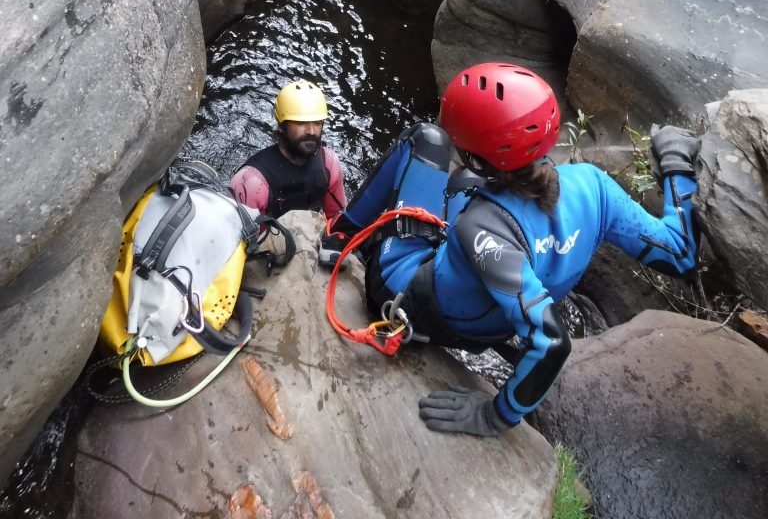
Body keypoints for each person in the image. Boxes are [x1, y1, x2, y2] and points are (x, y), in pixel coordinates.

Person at [326, 62, 700, 438]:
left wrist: (494, 416)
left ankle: (340, 234)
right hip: (493, 319)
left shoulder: (481, 228)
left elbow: (551, 341)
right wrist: (675, 161)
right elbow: (680, 253)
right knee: (462, 183)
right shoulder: (594, 186)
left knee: (426, 140)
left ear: (479, 151)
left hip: (407, 297)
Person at [230, 80, 347, 257]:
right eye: (301, 123)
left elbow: (337, 221)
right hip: (268, 253)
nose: (311, 131)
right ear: (282, 127)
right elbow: (242, 248)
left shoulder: (329, 164)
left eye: (317, 122)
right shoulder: (251, 182)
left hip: (307, 240)